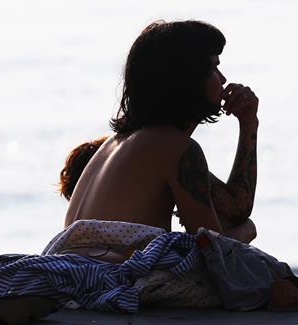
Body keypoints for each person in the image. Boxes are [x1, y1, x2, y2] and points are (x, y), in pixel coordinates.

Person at [64, 20, 259, 243]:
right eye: (213, 67)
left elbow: (235, 207)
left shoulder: (120, 143)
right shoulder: (175, 148)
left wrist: (248, 125)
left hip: (78, 273)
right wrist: (247, 232)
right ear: (189, 78)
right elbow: (213, 252)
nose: (222, 79)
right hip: (114, 275)